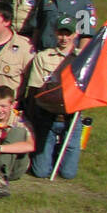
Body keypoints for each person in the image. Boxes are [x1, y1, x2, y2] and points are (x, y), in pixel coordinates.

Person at [24, 17, 83, 180]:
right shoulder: (43, 57)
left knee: (68, 174)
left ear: (75, 34)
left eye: (68, 34)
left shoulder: (82, 59)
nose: (64, 38)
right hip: (47, 115)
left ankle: (60, 151)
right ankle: (51, 151)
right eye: (61, 33)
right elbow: (35, 88)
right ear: (55, 33)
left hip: (71, 116)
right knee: (41, 172)